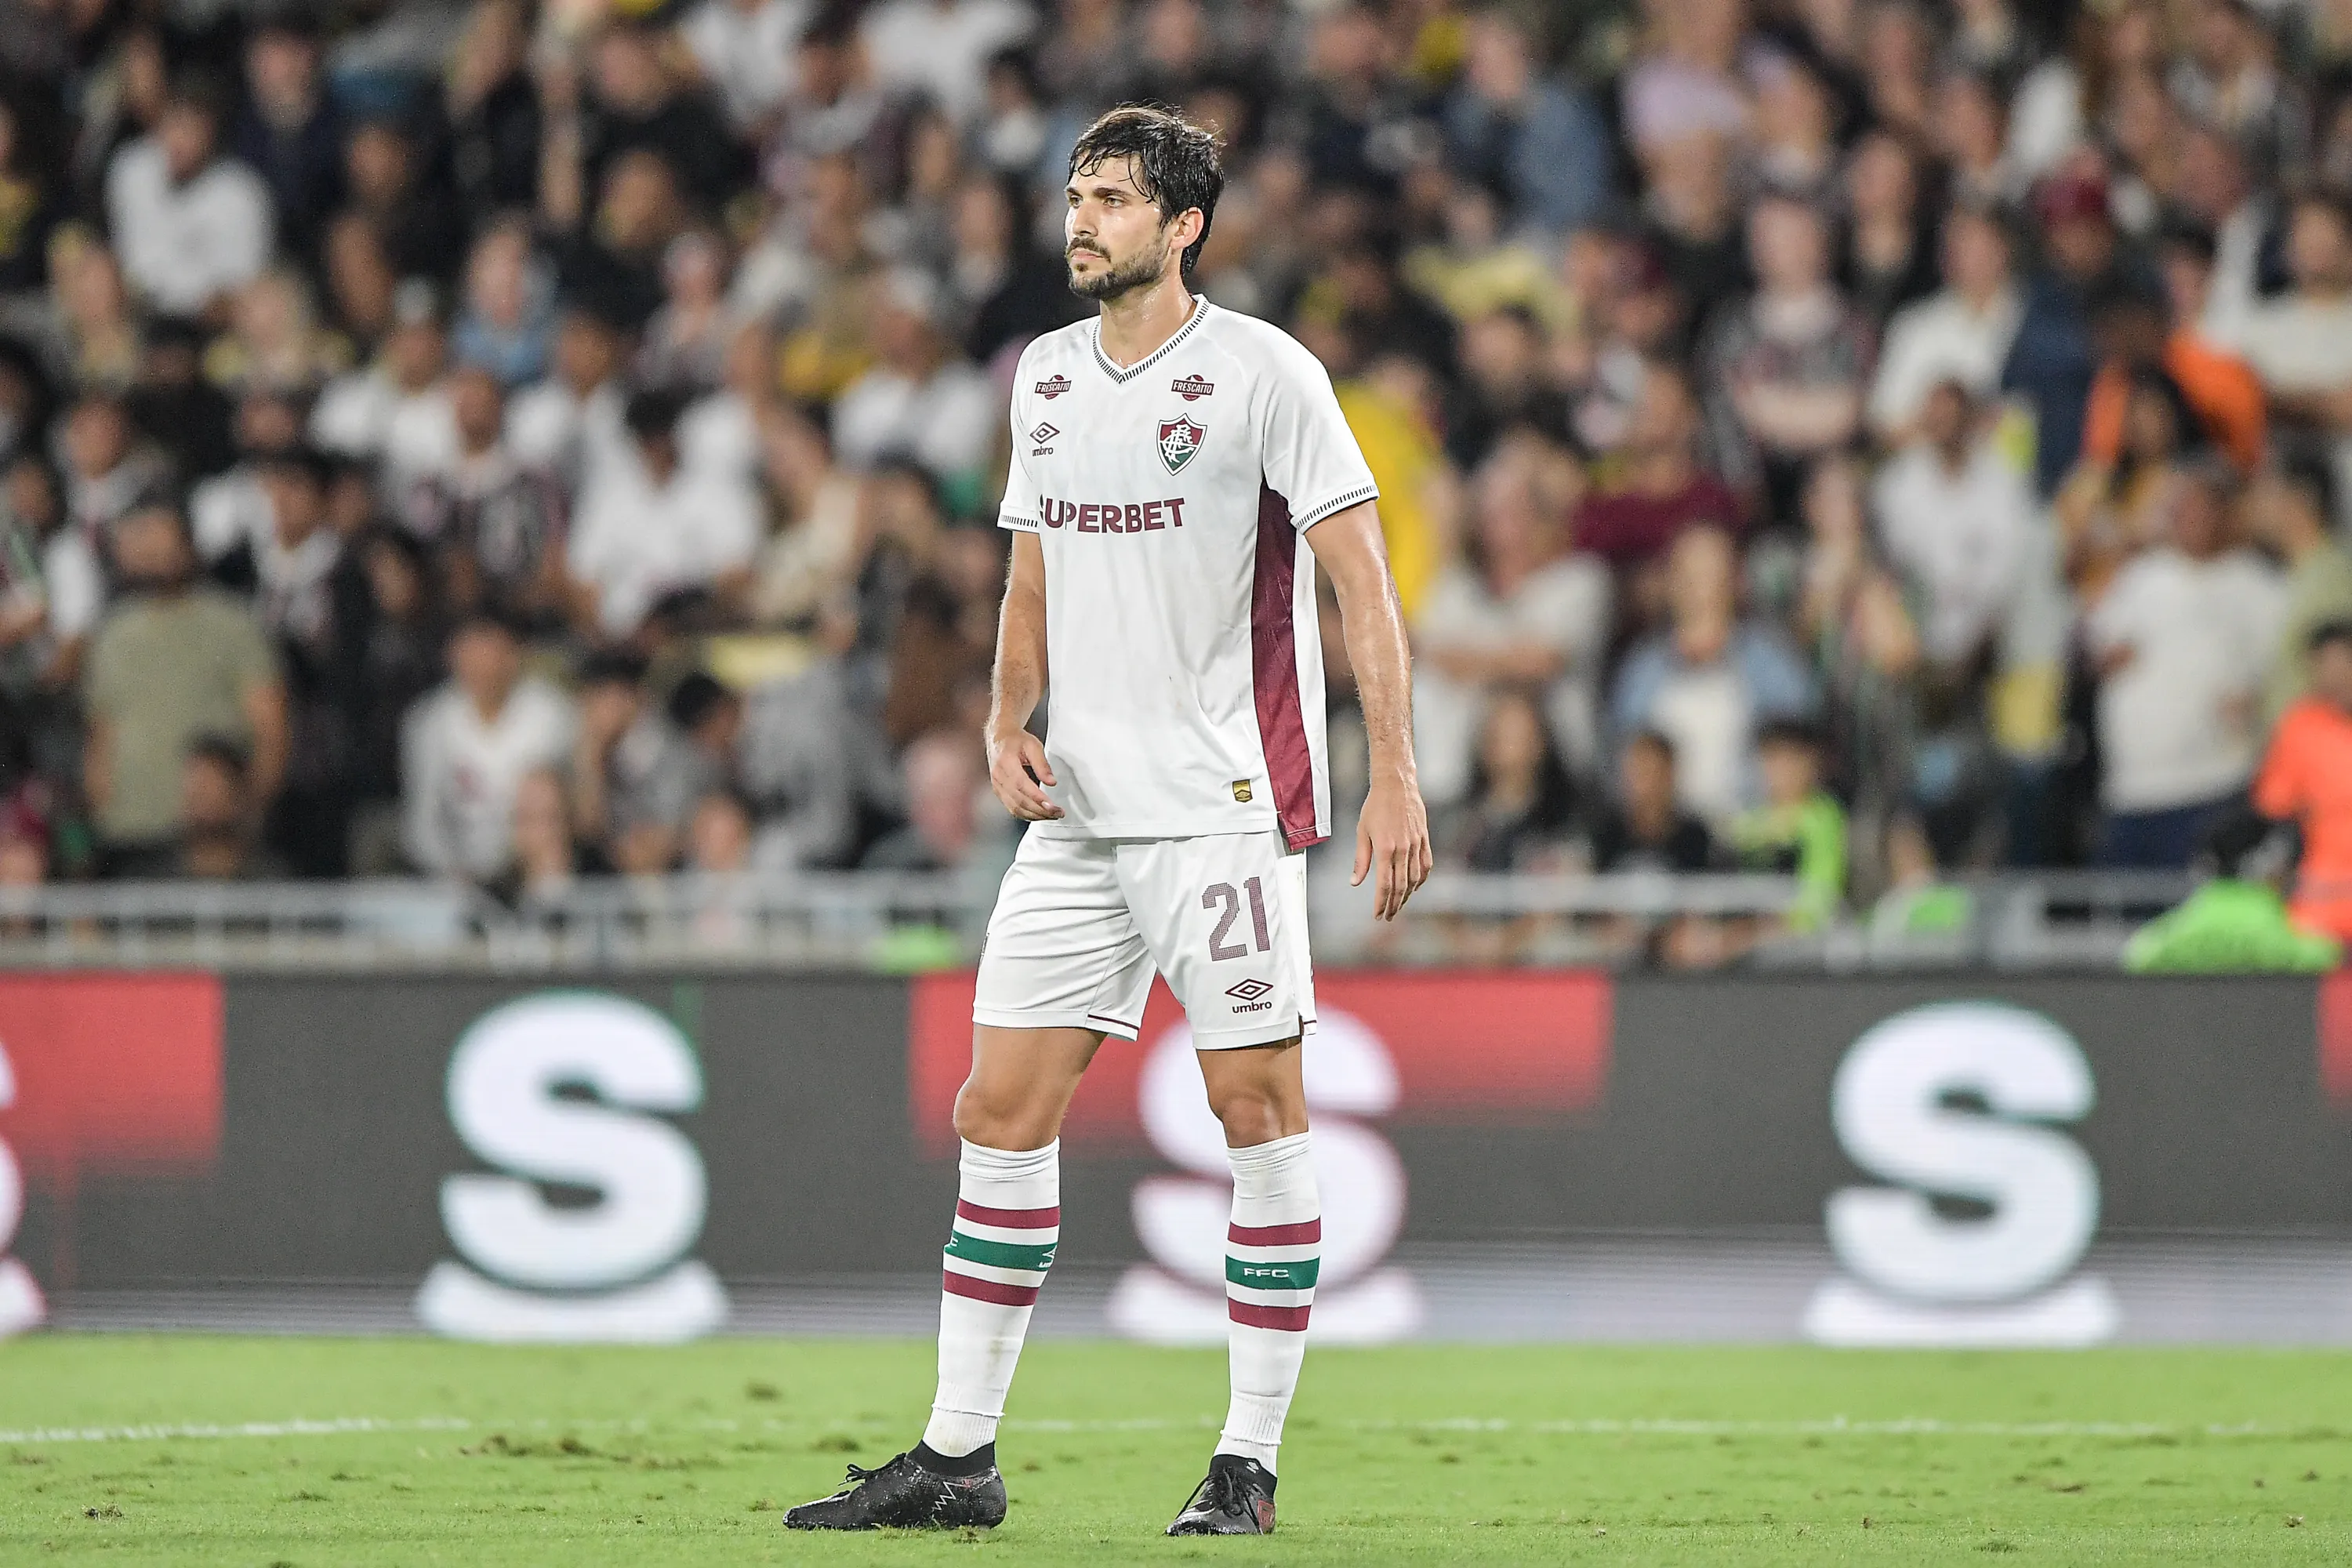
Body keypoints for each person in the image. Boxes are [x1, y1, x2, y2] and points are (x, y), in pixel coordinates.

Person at [786, 104, 1429, 1540]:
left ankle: (1246, 1464)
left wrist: (1396, 772)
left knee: (1254, 1115)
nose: (1083, 220)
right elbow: (1034, 566)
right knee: (997, 1113)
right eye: (1077, 195)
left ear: (1184, 225)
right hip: (1079, 812)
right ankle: (959, 1459)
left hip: (1219, 809)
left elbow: (1360, 586)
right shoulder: (1047, 375)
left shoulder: (1268, 375)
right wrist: (1008, 715)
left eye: (1115, 200)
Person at [2085, 464, 2284, 867]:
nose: (2189, 520)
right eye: (2181, 510)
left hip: (2211, 784)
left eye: (2200, 509)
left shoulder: (2257, 586)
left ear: (2225, 513)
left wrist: (2251, 704)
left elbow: (2280, 676)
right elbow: (2100, 645)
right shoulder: (2144, 576)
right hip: (2133, 788)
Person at [82, 506, 288, 873]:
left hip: (210, 841)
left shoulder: (234, 625)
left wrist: (250, 811)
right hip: (128, 834)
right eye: (145, 540)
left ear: (189, 546)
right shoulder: (113, 633)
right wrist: (101, 812)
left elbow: (271, 730)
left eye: (166, 541)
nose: (156, 554)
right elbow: (101, 735)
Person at [399, 610, 575, 881]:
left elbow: (555, 807)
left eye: (491, 656)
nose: (482, 669)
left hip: (525, 860)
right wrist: (451, 868)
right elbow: (423, 818)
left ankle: (548, 917)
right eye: (472, 657)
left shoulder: (549, 713)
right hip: (454, 867)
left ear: (513, 657)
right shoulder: (429, 723)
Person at [2124, 808, 2341, 973]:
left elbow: (2135, 959)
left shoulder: (2156, 945)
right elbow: (2328, 960)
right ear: (2269, 865)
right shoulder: (2308, 949)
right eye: (2288, 863)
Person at [1726, 718, 1848, 933]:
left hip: (1800, 940)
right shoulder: (1747, 822)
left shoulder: (1824, 817)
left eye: (1792, 759)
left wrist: (1786, 927)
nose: (1783, 770)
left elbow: (1821, 891)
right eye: (1773, 759)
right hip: (1748, 931)